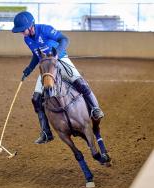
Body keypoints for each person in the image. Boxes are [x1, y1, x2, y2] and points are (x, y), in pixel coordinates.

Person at [12, 11, 104, 144]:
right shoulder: (27, 39)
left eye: (22, 30)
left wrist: (57, 54)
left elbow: (65, 39)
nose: (21, 32)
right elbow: (35, 55)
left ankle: (95, 108)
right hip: (46, 67)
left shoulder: (45, 29)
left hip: (61, 60)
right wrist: (29, 69)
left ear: (31, 25)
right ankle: (46, 132)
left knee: (80, 83)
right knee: (36, 98)